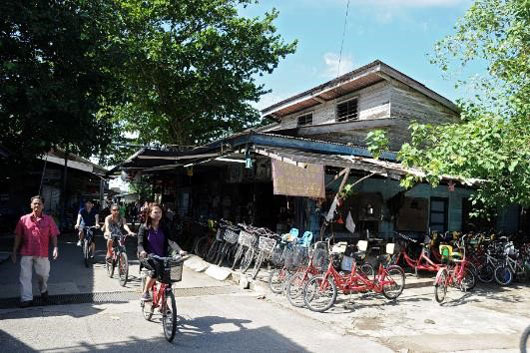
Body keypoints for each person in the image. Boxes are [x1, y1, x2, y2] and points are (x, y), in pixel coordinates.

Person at [12, 195, 59, 307]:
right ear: (31, 205)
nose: (37, 205)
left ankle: (43, 291)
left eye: (39, 203)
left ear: (43, 206)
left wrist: (55, 247)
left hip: (42, 252)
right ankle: (27, 299)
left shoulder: (49, 219)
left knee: (43, 275)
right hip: (26, 252)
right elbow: (18, 236)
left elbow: (53, 235)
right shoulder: (23, 219)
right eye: (35, 203)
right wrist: (14, 251)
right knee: (25, 276)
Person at [137, 203, 186, 302]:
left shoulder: (164, 227)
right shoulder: (144, 228)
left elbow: (171, 241)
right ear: (150, 214)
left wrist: (179, 250)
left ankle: (163, 305)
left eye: (160, 212)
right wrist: (142, 251)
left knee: (167, 278)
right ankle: (145, 292)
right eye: (155, 212)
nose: (158, 214)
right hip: (148, 257)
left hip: (162, 257)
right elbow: (140, 244)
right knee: (155, 271)